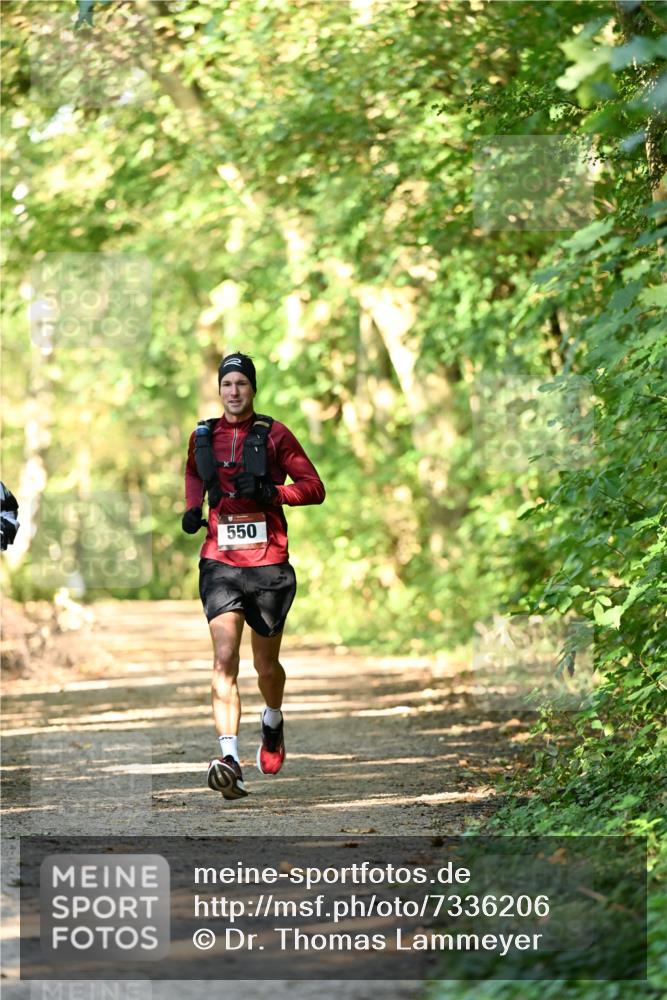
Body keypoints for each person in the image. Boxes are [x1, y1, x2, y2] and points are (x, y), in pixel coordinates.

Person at [182, 352, 325, 800]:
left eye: (242, 383)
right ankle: (229, 758)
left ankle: (273, 719)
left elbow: (314, 488)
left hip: (268, 566)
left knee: (266, 666)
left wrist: (271, 491)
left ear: (252, 389)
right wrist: (192, 508)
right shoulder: (203, 436)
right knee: (225, 660)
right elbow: (192, 473)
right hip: (220, 562)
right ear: (219, 389)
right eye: (228, 384)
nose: (234, 391)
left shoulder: (276, 434)